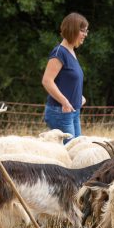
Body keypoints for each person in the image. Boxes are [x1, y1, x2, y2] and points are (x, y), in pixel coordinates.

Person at [41, 13, 88, 141]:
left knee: (76, 149)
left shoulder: (71, 52)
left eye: (86, 31)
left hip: (72, 111)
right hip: (60, 112)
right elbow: (47, 81)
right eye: (82, 31)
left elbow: (68, 81)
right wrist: (65, 102)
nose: (85, 34)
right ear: (72, 30)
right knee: (69, 153)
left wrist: (79, 97)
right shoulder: (59, 52)